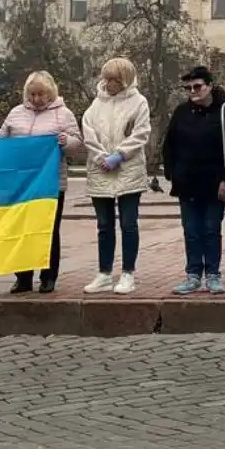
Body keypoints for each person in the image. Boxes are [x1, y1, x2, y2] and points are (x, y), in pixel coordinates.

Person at [0, 71, 85, 294]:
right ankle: (23, 277)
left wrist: (67, 142)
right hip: (21, 184)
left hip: (51, 183)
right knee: (21, 229)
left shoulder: (63, 115)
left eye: (41, 94)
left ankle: (48, 276)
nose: (37, 99)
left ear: (50, 93)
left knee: (48, 229)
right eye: (33, 94)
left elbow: (77, 145)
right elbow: (1, 142)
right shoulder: (16, 113)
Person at [162, 66, 225, 296]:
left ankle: (213, 275)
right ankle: (193, 274)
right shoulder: (181, 112)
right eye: (187, 88)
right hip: (186, 183)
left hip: (215, 184)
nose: (193, 91)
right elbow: (169, 144)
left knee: (210, 229)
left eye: (197, 86)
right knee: (191, 230)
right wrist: (171, 172)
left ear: (209, 85)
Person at [81, 58, 152, 295]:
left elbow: (141, 133)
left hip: (128, 170)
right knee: (104, 224)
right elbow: (88, 132)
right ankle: (104, 273)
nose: (110, 84)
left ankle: (128, 273)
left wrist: (120, 155)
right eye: (107, 79)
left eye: (115, 80)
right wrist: (102, 157)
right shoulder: (95, 104)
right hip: (101, 170)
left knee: (128, 223)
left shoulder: (138, 102)